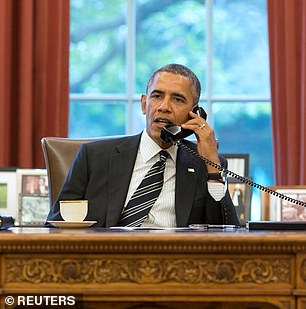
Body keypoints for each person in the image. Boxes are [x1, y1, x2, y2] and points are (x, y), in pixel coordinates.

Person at [46, 64, 239, 227]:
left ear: (194, 112)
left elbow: (226, 233)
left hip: (175, 264)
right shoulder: (94, 157)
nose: (164, 106)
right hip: (104, 263)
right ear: (144, 104)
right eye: (157, 96)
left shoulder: (203, 164)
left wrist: (213, 167)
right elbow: (56, 225)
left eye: (177, 99)